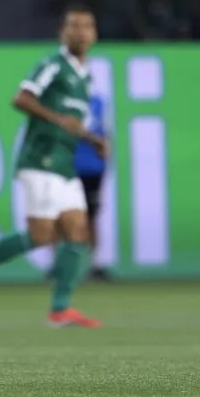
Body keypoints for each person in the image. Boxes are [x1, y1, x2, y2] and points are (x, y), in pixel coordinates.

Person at [0, 5, 107, 328]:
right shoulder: (53, 65)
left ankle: (60, 308)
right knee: (41, 235)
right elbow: (22, 98)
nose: (80, 32)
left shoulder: (85, 75)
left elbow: (71, 123)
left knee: (78, 232)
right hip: (41, 160)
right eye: (73, 26)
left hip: (64, 163)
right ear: (63, 33)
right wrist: (58, 119)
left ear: (94, 34)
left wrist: (92, 139)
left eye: (86, 26)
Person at [73, 93, 111, 281]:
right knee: (61, 216)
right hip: (67, 165)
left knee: (91, 216)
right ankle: (58, 265)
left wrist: (105, 154)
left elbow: (106, 132)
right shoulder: (60, 101)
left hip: (93, 168)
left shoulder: (98, 102)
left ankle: (95, 263)